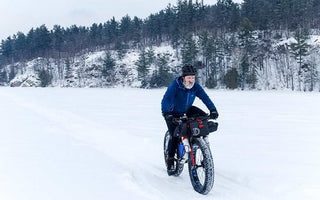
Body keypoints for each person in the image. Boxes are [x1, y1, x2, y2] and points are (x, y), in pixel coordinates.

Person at [161, 64, 219, 175]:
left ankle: (199, 145)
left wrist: (213, 110)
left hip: (186, 109)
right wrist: (167, 113)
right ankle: (171, 160)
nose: (191, 80)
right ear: (183, 77)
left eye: (193, 77)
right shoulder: (175, 86)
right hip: (172, 112)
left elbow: (205, 98)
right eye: (189, 78)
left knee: (202, 118)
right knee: (174, 135)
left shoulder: (195, 87)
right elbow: (166, 100)